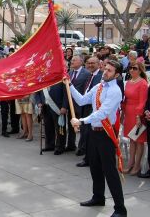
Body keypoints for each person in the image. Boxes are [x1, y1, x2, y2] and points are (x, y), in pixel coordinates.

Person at [69, 60, 127, 217]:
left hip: (106, 134)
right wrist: (70, 86)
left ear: (117, 75)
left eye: (109, 70)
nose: (105, 72)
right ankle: (98, 197)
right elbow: (81, 100)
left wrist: (81, 120)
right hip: (94, 132)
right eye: (105, 69)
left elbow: (102, 113)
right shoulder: (99, 86)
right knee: (95, 168)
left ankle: (120, 209)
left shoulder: (115, 90)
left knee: (110, 171)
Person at [121, 61, 148, 175]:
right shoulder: (128, 82)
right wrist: (123, 113)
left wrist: (138, 116)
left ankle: (137, 165)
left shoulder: (142, 83)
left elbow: (143, 101)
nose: (132, 70)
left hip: (138, 114)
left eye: (135, 68)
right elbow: (125, 99)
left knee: (139, 141)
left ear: (140, 70)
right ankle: (131, 163)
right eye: (130, 68)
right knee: (132, 140)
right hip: (128, 112)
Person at [76, 56, 103, 166]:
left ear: (98, 64)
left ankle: (89, 159)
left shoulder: (101, 76)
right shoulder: (89, 75)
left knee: (89, 135)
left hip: (93, 109)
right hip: (85, 107)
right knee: (85, 134)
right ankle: (87, 157)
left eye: (93, 63)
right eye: (89, 63)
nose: (90, 65)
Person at [61, 55, 91, 153]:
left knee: (82, 127)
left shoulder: (87, 73)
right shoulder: (69, 73)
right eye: (72, 60)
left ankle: (81, 148)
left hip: (82, 105)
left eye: (74, 60)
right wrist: (65, 106)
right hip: (70, 104)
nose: (72, 62)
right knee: (71, 125)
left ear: (81, 62)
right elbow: (66, 91)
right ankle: (70, 145)